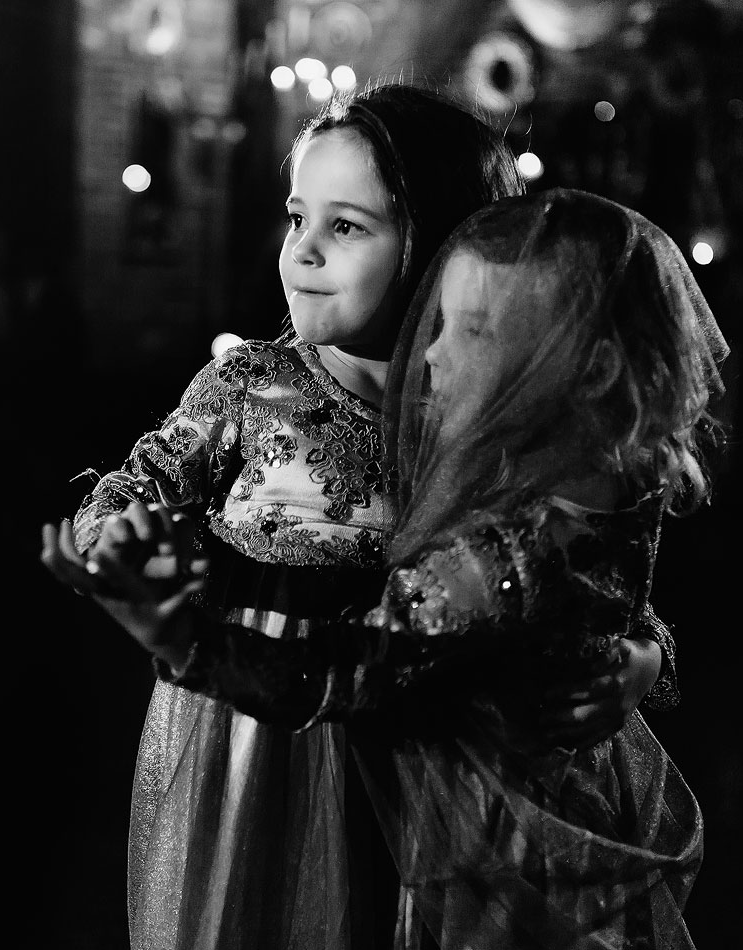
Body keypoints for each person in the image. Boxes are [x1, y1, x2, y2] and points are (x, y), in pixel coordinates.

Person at [54, 87, 678, 950]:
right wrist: (119, 540)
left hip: (450, 784)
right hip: (260, 762)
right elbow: (128, 488)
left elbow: (585, 588)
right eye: (295, 217)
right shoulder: (250, 386)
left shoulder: (489, 418)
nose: (302, 252)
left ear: (443, 243)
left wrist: (639, 662)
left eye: (346, 228)